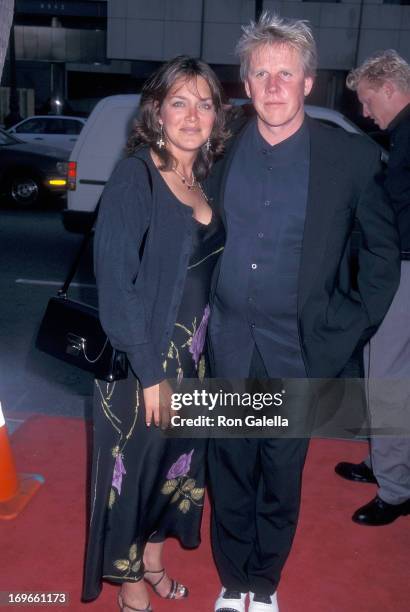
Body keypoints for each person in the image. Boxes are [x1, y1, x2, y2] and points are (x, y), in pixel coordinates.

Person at [206, 13, 400, 612]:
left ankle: (261, 586)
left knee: (280, 474)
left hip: (300, 349)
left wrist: (349, 327)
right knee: (230, 470)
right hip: (227, 344)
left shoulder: (351, 158)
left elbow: (381, 251)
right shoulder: (217, 148)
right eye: (260, 73)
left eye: (284, 73)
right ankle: (231, 578)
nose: (271, 85)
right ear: (245, 81)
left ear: (308, 82)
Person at [82, 56, 227, 611]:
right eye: (179, 102)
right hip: (148, 365)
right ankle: (131, 585)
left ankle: (156, 561)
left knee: (176, 469)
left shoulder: (199, 176)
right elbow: (116, 283)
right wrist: (149, 373)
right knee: (136, 474)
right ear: (157, 111)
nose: (193, 115)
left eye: (205, 103)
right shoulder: (135, 176)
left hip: (195, 363)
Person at [335, 50, 410, 526]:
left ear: (388, 88)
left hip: (405, 267)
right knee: (380, 367)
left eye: (366, 102)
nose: (365, 113)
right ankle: (386, 462)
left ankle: (397, 488)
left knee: (388, 377)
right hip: (397, 266)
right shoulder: (402, 133)